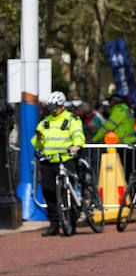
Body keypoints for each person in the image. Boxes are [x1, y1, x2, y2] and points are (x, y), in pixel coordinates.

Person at [31, 92, 86, 237]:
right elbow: (37, 143)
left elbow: (77, 134)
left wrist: (77, 146)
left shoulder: (71, 119)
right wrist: (37, 139)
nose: (52, 110)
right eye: (50, 108)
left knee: (67, 191)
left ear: (62, 106)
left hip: (66, 159)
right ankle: (54, 225)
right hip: (49, 161)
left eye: (55, 108)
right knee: (49, 192)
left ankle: (71, 224)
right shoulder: (45, 122)